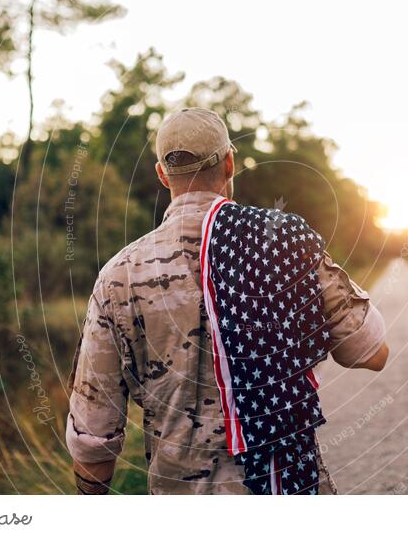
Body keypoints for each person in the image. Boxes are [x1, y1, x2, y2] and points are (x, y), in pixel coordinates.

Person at [66, 107, 389, 495]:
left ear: (162, 174)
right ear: (230, 163)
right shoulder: (282, 242)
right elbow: (371, 353)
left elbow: (93, 435)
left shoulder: (118, 276)